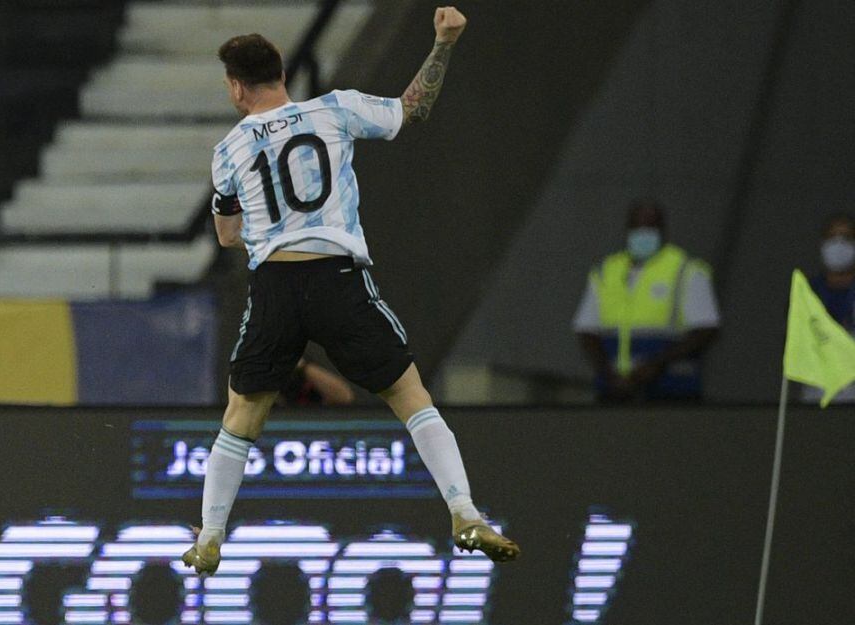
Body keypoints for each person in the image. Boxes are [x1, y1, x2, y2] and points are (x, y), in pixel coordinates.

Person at [183, 6, 519, 576]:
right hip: (336, 276)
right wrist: (443, 43)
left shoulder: (228, 151)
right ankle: (464, 512)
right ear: (281, 73)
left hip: (275, 285)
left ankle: (211, 535)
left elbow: (227, 235)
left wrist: (267, 225)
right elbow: (412, 109)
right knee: (409, 396)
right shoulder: (334, 109)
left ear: (236, 88)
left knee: (241, 415)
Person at [573, 200, 720, 402]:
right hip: (615, 391)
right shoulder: (607, 271)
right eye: (638, 227)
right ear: (628, 230)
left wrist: (657, 364)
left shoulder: (686, 271)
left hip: (672, 391)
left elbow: (706, 330)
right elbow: (586, 330)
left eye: (650, 227)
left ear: (663, 230)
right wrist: (608, 374)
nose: (643, 234)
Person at [803, 213, 855, 404]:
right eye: (832, 237)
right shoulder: (809, 291)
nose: (838, 244)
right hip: (818, 389)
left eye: (846, 237)